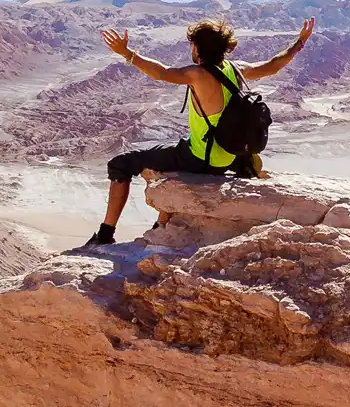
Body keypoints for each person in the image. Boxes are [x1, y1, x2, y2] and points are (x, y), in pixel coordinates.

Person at [86, 16, 316, 246]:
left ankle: (105, 235)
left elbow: (160, 72)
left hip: (201, 158)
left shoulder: (197, 75)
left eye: (192, 44)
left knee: (120, 163)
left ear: (197, 47)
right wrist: (299, 43)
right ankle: (163, 223)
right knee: (177, 149)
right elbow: (273, 66)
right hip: (230, 152)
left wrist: (128, 54)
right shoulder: (237, 69)